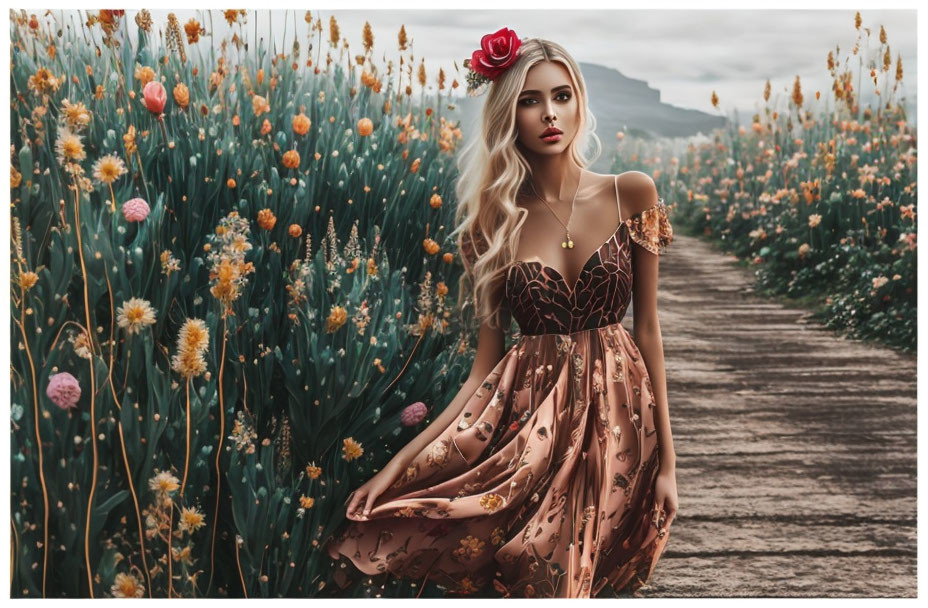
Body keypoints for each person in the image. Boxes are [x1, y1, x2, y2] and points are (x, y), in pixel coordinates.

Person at [326, 28, 677, 598]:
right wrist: (394, 469)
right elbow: (479, 370)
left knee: (574, 573)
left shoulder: (631, 192)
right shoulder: (490, 227)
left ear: (580, 101)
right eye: (529, 100)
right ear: (507, 115)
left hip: (619, 418)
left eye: (561, 96)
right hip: (532, 424)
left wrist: (668, 464)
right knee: (530, 561)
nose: (549, 114)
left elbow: (649, 329)